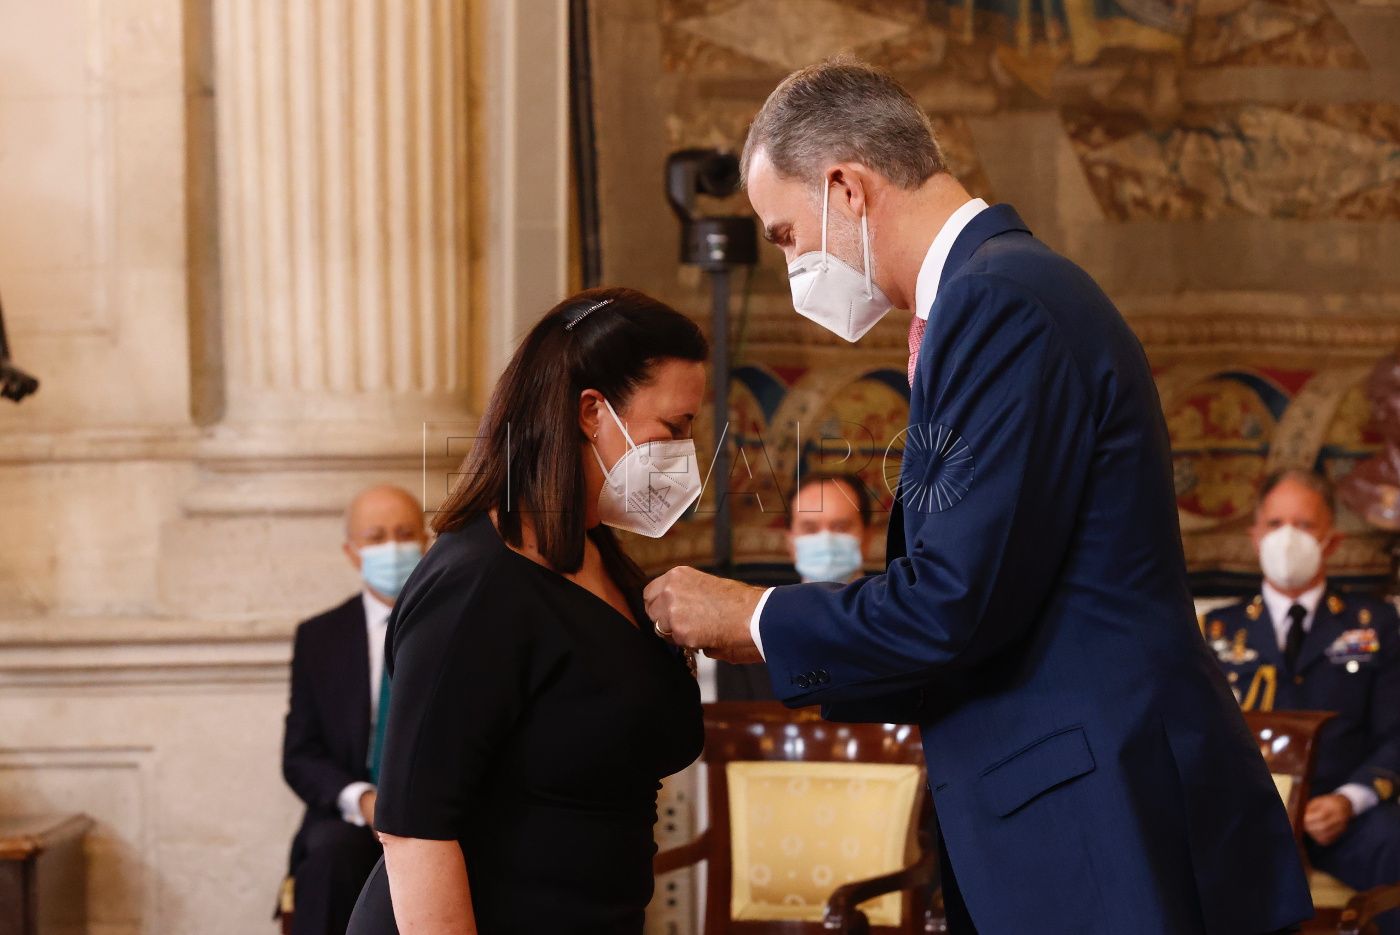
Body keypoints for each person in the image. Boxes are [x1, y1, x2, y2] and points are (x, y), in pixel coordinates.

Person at [644, 57, 1311, 933]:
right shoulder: (992, 293)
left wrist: (755, 618)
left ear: (846, 187)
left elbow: (951, 603)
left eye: (783, 235)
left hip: (1102, 822)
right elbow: (989, 604)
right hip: (1077, 807)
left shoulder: (998, 302)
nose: (791, 265)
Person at [346, 287, 707, 935]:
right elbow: (413, 832)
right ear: (592, 412)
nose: (685, 452)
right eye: (674, 427)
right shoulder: (477, 582)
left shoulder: (598, 552)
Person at [1207, 469, 1400, 933]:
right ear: (1255, 537)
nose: (1287, 537)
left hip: (1345, 813)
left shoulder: (1375, 621)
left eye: (1304, 524)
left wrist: (1350, 800)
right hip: (1252, 813)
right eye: (1275, 524)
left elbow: (1396, 734)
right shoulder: (1216, 630)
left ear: (1331, 540)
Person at [281, 484, 428, 935]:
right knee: (330, 858)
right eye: (376, 537)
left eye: (404, 533)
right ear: (351, 552)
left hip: (436, 808)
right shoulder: (319, 637)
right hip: (352, 816)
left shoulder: (457, 623)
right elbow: (300, 755)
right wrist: (363, 800)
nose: (393, 547)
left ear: (425, 542)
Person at [714, 471, 874, 701]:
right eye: (810, 529)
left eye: (840, 527)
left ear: (867, 537)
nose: (826, 540)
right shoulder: (750, 631)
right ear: (791, 541)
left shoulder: (900, 620)